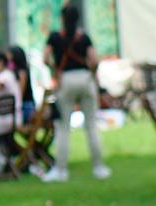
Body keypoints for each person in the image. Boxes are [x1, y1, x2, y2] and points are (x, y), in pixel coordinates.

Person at [43, 3, 110, 182]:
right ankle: (99, 167)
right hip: (85, 78)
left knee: (62, 127)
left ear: (62, 19)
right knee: (91, 125)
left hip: (65, 80)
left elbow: (45, 57)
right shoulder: (84, 37)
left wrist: (55, 70)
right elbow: (94, 60)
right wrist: (92, 75)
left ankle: (61, 170)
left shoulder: (55, 37)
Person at [7, 46, 36, 122]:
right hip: (24, 106)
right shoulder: (21, 70)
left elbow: (20, 94)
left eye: (9, 54)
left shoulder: (22, 73)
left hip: (25, 107)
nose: (7, 57)